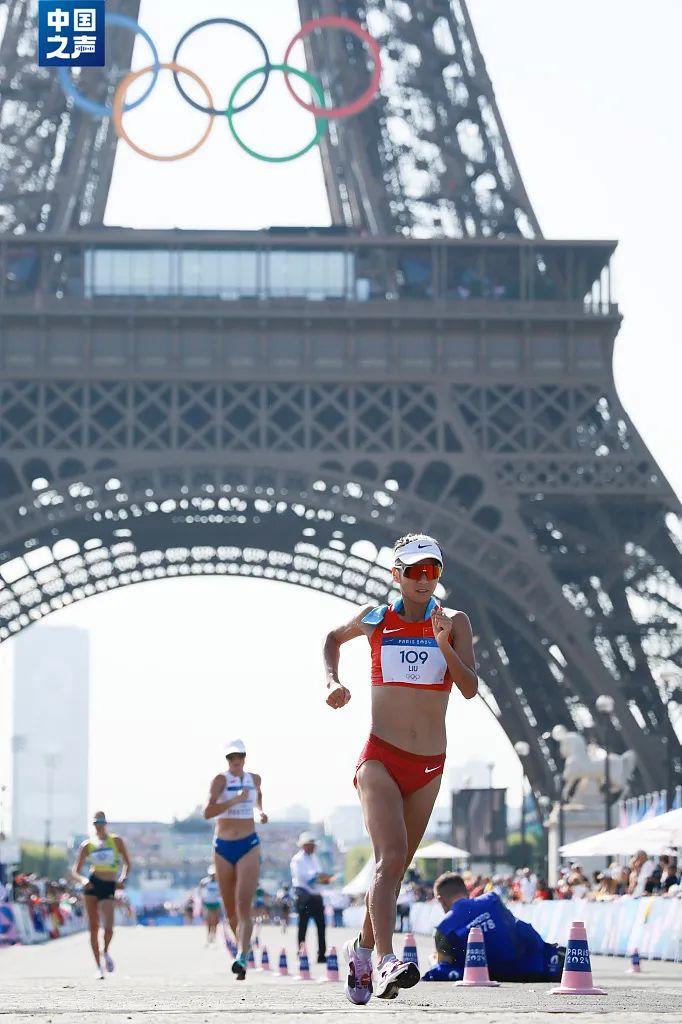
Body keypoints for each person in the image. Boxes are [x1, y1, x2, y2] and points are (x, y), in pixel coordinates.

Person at [324, 533, 478, 1003]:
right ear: (396, 575)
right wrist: (332, 681)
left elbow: (470, 687)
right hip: (380, 757)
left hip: (428, 765)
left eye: (433, 571)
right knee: (389, 858)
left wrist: (444, 645)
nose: (424, 579)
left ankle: (360, 950)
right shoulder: (375, 619)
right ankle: (387, 960)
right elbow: (332, 639)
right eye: (414, 571)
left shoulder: (454, 621)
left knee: (394, 870)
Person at [422, 872, 564, 983]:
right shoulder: (492, 900)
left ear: (440, 899)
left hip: (491, 976)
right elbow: (516, 930)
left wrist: (434, 964)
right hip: (533, 968)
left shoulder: (443, 929)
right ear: (467, 892)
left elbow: (445, 970)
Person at [203, 738, 268, 980]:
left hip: (248, 844)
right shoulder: (220, 780)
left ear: (245, 757)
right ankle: (242, 947)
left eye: (239, 756)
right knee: (230, 910)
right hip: (223, 846)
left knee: (243, 905)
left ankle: (242, 955)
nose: (235, 760)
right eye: (231, 757)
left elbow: (258, 800)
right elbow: (207, 812)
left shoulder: (255, 779)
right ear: (227, 760)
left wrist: (260, 812)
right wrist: (234, 800)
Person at [71, 811, 131, 979]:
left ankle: (105, 951)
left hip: (109, 885)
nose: (99, 826)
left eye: (101, 823)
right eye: (96, 823)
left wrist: (123, 878)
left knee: (109, 928)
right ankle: (98, 967)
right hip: (92, 884)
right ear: (93, 825)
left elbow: (127, 863)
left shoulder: (116, 841)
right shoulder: (88, 844)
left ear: (106, 824)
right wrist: (83, 880)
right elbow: (75, 870)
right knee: (93, 927)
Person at [290, 832, 333, 963]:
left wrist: (323, 879)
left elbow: (317, 875)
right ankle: (301, 953)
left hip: (316, 895)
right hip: (304, 894)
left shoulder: (315, 858)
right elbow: (302, 877)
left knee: (321, 926)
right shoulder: (297, 859)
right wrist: (316, 876)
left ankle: (321, 955)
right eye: (311, 845)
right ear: (304, 845)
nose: (313, 847)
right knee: (303, 925)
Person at [199, 866, 221, 945]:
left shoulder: (219, 882)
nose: (213, 876)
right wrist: (202, 899)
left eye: (214, 874)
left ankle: (214, 936)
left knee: (215, 922)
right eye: (211, 874)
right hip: (208, 903)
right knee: (208, 921)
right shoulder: (205, 882)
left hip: (216, 903)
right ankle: (208, 937)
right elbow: (200, 890)